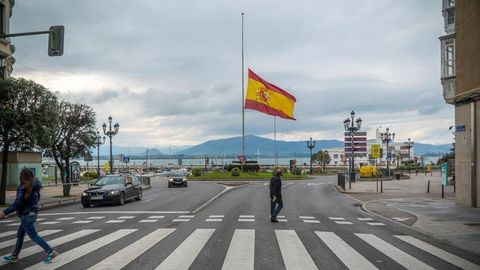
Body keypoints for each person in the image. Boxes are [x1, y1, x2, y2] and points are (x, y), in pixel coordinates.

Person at [0, 168, 59, 264]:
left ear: (21, 178)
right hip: (32, 214)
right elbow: (36, 200)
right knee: (20, 235)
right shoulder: (36, 186)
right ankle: (15, 255)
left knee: (34, 236)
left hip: (26, 216)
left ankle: (51, 252)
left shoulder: (23, 187)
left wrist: (4, 212)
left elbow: (17, 203)